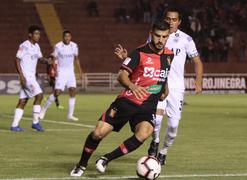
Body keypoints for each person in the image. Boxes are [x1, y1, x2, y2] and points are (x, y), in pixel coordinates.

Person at [70, 20, 173, 177]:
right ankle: (81, 165)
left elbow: (163, 75)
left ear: (168, 36)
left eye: (164, 37)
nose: (161, 40)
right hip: (127, 102)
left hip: (147, 107)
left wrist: (165, 89)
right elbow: (121, 75)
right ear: (151, 34)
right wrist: (133, 86)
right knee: (98, 133)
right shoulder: (138, 53)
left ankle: (106, 159)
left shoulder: (169, 55)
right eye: (158, 36)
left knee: (145, 132)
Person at [115, 6, 203, 165]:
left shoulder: (186, 40)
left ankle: (164, 151)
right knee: (155, 121)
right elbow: (142, 57)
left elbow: (197, 61)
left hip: (176, 89)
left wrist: (199, 80)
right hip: (159, 84)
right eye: (168, 19)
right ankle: (154, 143)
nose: (170, 22)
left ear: (179, 22)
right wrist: (127, 57)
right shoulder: (157, 37)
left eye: (174, 19)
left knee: (173, 127)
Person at [10, 25, 50, 132]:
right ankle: (35, 123)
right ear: (30, 34)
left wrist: (47, 61)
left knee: (23, 100)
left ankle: (14, 125)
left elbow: (40, 58)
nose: (38, 36)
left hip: (32, 76)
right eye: (36, 34)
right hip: (26, 77)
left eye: (39, 34)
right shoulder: (24, 45)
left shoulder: (37, 46)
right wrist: (21, 76)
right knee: (39, 95)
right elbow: (17, 60)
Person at [40, 30, 83, 121]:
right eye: (65, 36)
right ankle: (43, 110)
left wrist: (80, 72)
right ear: (63, 37)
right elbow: (54, 59)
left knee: (72, 92)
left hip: (70, 72)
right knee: (57, 92)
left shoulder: (74, 46)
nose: (67, 38)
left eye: (68, 36)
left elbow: (76, 59)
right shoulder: (58, 46)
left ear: (70, 37)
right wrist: (55, 71)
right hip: (61, 72)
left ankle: (70, 115)